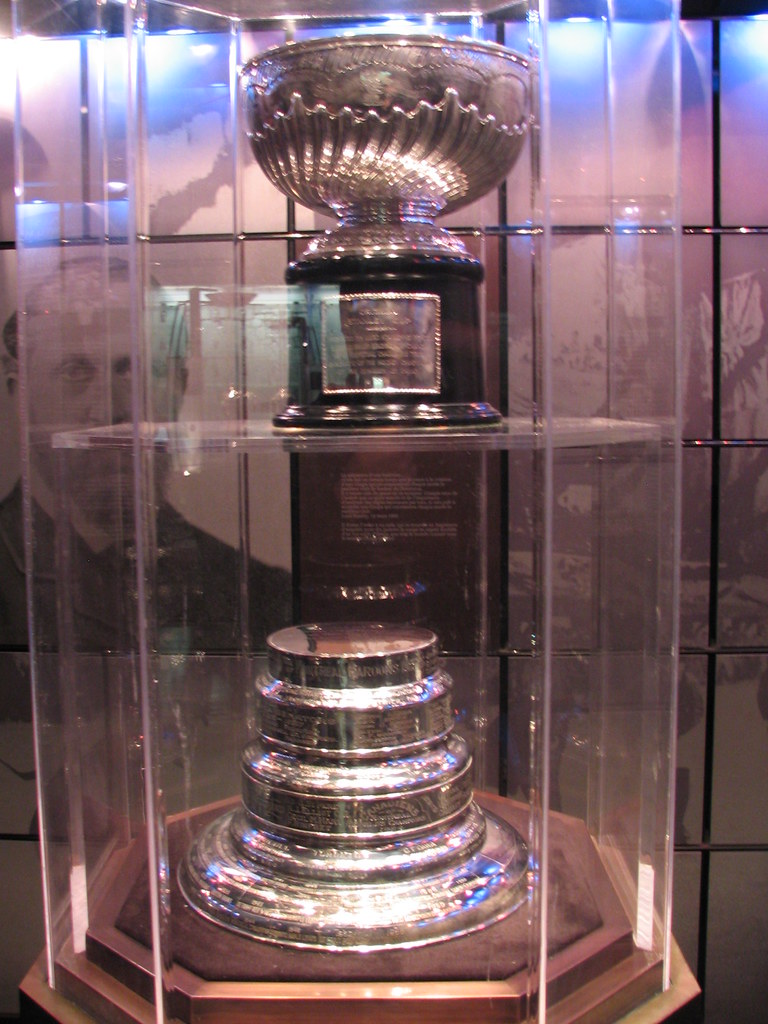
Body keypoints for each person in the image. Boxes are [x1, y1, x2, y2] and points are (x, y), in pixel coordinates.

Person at [1, 254, 292, 658]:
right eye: (75, 372)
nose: (107, 412)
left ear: (179, 384)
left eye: (133, 371)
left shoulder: (254, 591)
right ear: (19, 393)